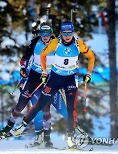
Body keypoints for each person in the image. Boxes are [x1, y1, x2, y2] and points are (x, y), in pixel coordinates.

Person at [10, 21, 95, 149]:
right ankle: (22, 125)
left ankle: (71, 139)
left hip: (70, 79)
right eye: (65, 33)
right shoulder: (55, 43)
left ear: (73, 33)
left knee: (70, 108)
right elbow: (43, 55)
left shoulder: (79, 44)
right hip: (55, 78)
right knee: (40, 104)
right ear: (61, 33)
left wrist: (88, 73)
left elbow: (91, 56)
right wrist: (44, 72)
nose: (67, 36)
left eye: (70, 33)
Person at [0, 22, 60, 147]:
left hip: (49, 78)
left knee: (46, 108)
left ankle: (47, 138)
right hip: (34, 76)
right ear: (40, 33)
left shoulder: (57, 44)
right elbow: (25, 58)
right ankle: (7, 128)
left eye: (47, 33)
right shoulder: (35, 42)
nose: (45, 36)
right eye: (42, 33)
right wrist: (23, 69)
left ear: (51, 34)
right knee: (21, 103)